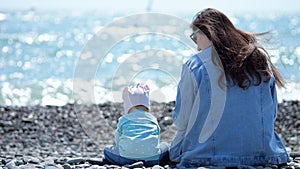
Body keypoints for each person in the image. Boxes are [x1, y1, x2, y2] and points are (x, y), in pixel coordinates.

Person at [169, 8, 291, 168]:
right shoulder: (259, 59)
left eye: (194, 37)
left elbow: (182, 120)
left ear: (206, 32)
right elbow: (271, 112)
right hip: (263, 154)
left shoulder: (195, 64)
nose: (197, 47)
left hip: (205, 156)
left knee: (167, 148)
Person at [104, 84, 169, 166]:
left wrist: (120, 147)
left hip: (125, 158)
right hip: (152, 160)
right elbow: (157, 137)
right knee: (165, 146)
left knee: (106, 150)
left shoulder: (124, 119)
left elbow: (118, 138)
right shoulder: (152, 119)